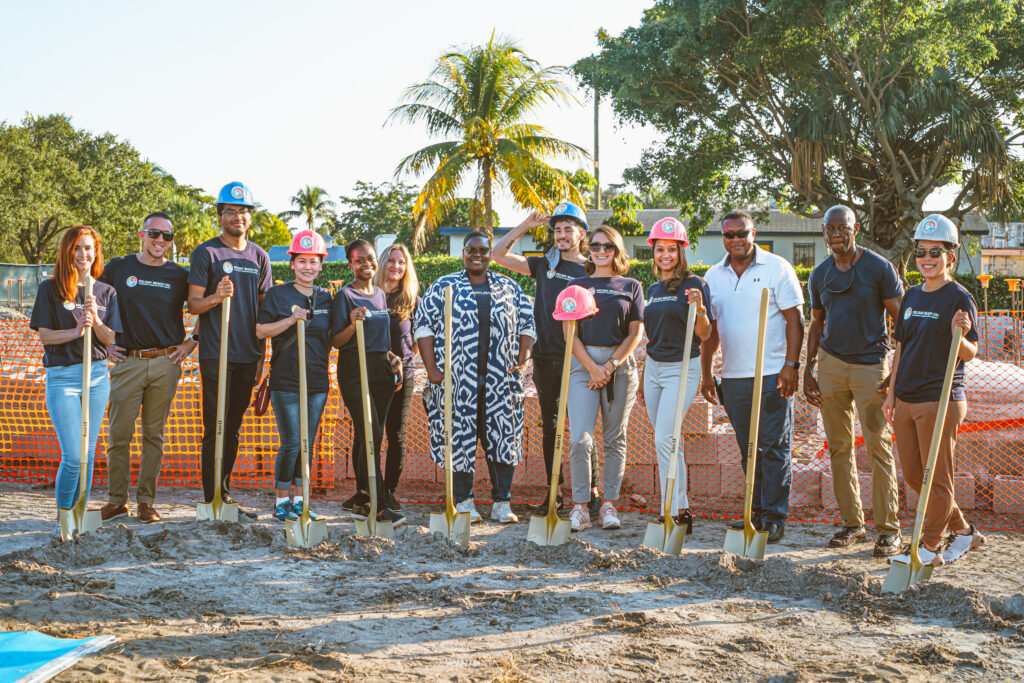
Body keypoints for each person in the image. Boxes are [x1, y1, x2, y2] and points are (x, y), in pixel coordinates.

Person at [883, 214, 983, 566]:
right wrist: (891, 394)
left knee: (936, 478)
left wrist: (961, 331)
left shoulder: (959, 297)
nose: (927, 258)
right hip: (906, 398)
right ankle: (966, 533)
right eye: (922, 251)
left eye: (935, 252)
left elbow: (969, 352)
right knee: (914, 474)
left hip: (940, 400)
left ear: (950, 256)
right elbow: (900, 349)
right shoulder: (910, 296)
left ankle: (928, 547)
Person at [415, 232, 535, 524]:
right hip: (457, 381)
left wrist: (524, 354)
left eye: (483, 249)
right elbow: (423, 326)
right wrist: (432, 370)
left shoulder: (509, 287)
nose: (477, 254)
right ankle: (464, 500)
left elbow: (528, 322)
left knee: (502, 438)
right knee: (457, 439)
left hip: (501, 381)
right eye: (471, 249)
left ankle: (501, 502)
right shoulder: (444, 286)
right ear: (463, 252)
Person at [804, 205, 904, 556]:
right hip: (831, 365)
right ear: (824, 232)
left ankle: (889, 530)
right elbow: (817, 323)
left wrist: (896, 370)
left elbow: (901, 322)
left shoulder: (879, 268)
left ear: (855, 228)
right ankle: (853, 524)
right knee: (839, 448)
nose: (835, 234)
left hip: (870, 368)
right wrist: (808, 369)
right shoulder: (820, 275)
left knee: (879, 446)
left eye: (842, 227)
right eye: (829, 228)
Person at [700, 210, 804, 544]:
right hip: (734, 378)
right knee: (749, 448)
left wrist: (792, 365)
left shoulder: (777, 268)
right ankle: (755, 511)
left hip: (772, 373)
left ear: (754, 233)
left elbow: (795, 321)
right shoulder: (713, 276)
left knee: (774, 447)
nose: (735, 240)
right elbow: (711, 333)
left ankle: (775, 517)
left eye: (741, 233)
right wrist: (707, 373)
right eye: (728, 235)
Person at [491, 202, 592, 515]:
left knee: (581, 428)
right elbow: (498, 255)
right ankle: (554, 492)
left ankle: (591, 493)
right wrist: (525, 224)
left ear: (581, 233)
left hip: (580, 358)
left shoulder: (591, 269)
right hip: (546, 356)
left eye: (568, 229)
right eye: (557, 229)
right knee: (551, 426)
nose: (561, 235)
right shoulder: (544, 264)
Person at [101, 212, 197, 524]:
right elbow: (93, 302)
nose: (160, 241)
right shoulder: (118, 267)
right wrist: (103, 344)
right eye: (154, 234)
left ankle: (146, 503)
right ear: (142, 234)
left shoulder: (180, 275)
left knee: (154, 436)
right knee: (119, 435)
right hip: (126, 362)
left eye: (167, 236)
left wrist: (191, 342)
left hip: (165, 363)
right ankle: (117, 501)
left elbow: (202, 308)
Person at [187, 181, 272, 519]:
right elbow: (194, 304)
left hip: (247, 354)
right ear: (220, 216)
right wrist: (216, 297)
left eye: (243, 212)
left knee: (233, 428)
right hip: (215, 354)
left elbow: (263, 311)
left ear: (250, 217)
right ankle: (211, 501)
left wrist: (261, 358)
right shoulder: (206, 253)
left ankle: (226, 495)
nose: (238, 217)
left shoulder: (260, 257)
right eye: (231, 212)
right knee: (215, 427)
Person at [30, 226, 120, 530]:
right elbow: (45, 336)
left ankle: (79, 513)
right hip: (63, 377)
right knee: (72, 455)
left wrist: (95, 321)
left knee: (89, 452)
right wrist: (76, 331)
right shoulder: (51, 288)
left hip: (96, 377)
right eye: (78, 248)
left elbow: (109, 340)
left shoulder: (105, 292)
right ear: (68, 252)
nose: (84, 255)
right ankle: (63, 516)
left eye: (89, 248)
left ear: (96, 253)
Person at [565, 225, 645, 532]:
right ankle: (581, 506)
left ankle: (609, 505)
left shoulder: (631, 285)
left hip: (619, 365)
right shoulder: (576, 285)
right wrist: (592, 367)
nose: (601, 251)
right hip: (581, 365)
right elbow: (568, 332)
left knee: (614, 439)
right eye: (595, 246)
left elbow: (636, 332)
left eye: (607, 246)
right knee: (580, 439)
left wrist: (610, 366)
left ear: (617, 250)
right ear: (588, 249)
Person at [639, 217, 712, 533]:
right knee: (671, 441)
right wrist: (644, 374)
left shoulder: (695, 284)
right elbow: (653, 336)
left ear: (680, 251)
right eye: (659, 249)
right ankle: (682, 510)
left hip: (682, 368)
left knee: (664, 438)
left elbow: (706, 334)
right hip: (654, 368)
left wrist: (700, 309)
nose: (664, 255)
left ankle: (669, 509)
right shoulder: (653, 288)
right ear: (653, 252)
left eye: (671, 249)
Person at [256, 230, 333, 523]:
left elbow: (335, 337)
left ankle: (300, 501)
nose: (308, 267)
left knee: (307, 442)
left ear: (321, 265)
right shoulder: (278, 295)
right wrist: (290, 320)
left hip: (316, 382)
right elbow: (260, 331)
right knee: (291, 441)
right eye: (302, 261)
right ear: (292, 264)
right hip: (286, 380)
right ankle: (280, 501)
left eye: (313, 261)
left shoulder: (327, 297)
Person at [332, 239, 405, 526]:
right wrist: (352, 324)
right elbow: (336, 341)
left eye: (370, 259)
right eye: (359, 260)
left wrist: (393, 358)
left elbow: (380, 340)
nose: (366, 264)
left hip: (381, 370)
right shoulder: (345, 296)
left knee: (369, 436)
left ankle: (363, 496)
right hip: (354, 370)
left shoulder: (379, 295)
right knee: (371, 434)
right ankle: (378, 505)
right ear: (350, 264)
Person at [373, 243, 420, 514]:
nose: (396, 266)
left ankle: (389, 490)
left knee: (397, 434)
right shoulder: (372, 295)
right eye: (391, 261)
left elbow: (418, 338)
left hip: (404, 376)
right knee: (371, 435)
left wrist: (405, 359)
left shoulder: (412, 298)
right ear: (383, 263)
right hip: (373, 373)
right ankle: (371, 490)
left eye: (401, 262)